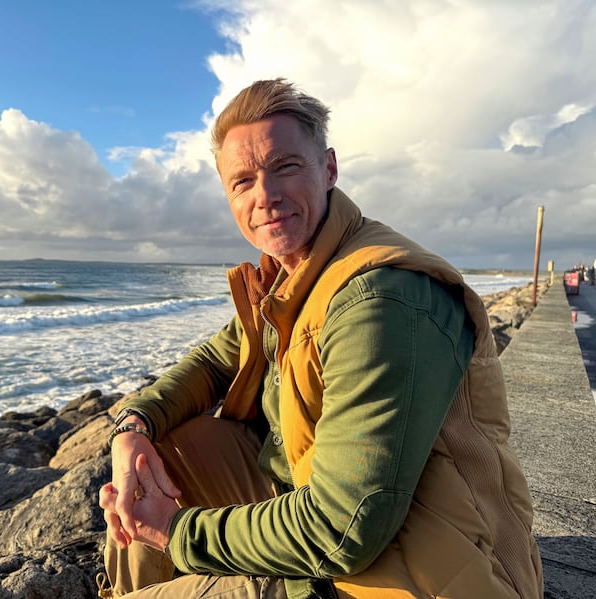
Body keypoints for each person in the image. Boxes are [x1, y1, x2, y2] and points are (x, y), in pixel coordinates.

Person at [98, 79, 543, 598]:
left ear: (328, 168)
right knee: (160, 456)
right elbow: (217, 359)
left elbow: (341, 529)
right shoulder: (297, 274)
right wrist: (133, 426)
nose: (265, 196)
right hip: (329, 515)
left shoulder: (377, 299)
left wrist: (175, 534)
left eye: (285, 166)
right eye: (242, 181)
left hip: (409, 573)